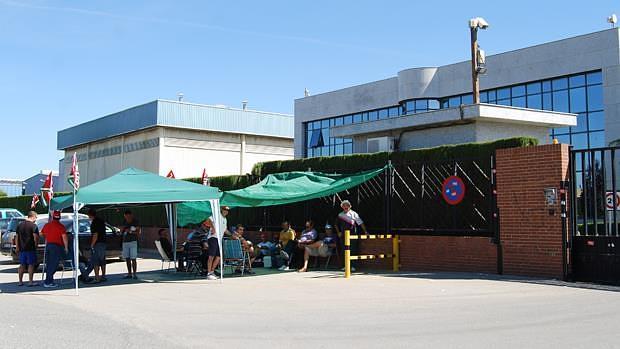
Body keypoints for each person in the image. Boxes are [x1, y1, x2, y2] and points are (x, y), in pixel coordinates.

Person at [334, 200, 367, 272]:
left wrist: (365, 231)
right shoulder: (340, 215)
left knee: (353, 250)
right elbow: (336, 224)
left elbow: (360, 223)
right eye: (344, 205)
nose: (346, 207)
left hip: (352, 235)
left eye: (347, 205)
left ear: (350, 206)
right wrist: (338, 232)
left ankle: (353, 266)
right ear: (342, 207)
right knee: (344, 250)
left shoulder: (354, 214)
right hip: (343, 236)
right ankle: (344, 266)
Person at [40, 210, 69, 288]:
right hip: (56, 246)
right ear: (59, 218)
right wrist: (66, 247)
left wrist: (48, 236)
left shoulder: (47, 225)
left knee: (49, 264)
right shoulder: (61, 226)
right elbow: (64, 237)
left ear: (53, 217)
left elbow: (41, 233)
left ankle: (49, 280)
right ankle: (48, 282)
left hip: (49, 245)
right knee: (54, 265)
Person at [80, 208, 108, 283]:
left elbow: (95, 235)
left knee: (96, 261)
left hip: (98, 243)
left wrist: (92, 245)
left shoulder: (94, 223)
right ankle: (103, 276)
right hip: (103, 242)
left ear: (90, 215)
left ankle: (97, 278)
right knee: (102, 260)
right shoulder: (101, 221)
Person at [15, 211, 39, 287]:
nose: (36, 219)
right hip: (30, 248)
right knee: (31, 265)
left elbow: (17, 237)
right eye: (36, 217)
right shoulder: (34, 226)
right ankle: (30, 281)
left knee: (22, 265)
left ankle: (20, 281)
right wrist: (36, 245)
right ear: (33, 216)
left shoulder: (19, 225)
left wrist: (17, 247)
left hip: (22, 248)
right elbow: (35, 237)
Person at [120, 210, 141, 279]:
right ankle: (129, 274)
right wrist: (122, 230)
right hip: (125, 242)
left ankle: (134, 274)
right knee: (127, 258)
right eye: (126, 217)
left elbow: (138, 232)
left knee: (133, 258)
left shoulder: (135, 222)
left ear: (131, 215)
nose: (127, 218)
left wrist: (130, 231)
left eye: (128, 217)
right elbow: (121, 231)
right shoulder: (124, 221)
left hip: (133, 242)